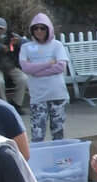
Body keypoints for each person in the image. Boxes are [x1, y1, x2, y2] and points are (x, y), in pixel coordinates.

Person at [17, 12, 71, 141]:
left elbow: (61, 67)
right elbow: (25, 68)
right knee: (37, 134)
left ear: (48, 29)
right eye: (36, 28)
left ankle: (58, 159)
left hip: (57, 95)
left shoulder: (57, 45)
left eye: (43, 28)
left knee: (58, 133)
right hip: (38, 97)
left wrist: (35, 70)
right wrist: (49, 63)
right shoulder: (26, 47)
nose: (39, 31)